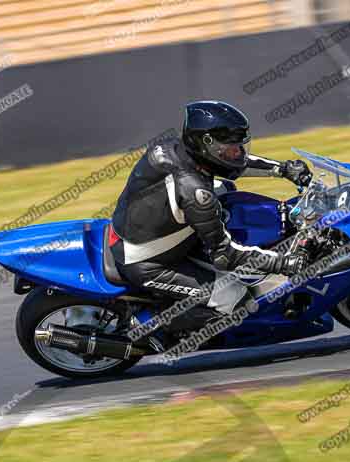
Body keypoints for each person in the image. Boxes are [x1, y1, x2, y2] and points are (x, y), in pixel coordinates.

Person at [110, 100, 312, 327]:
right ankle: (148, 326)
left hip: (142, 227)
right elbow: (225, 255)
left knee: (226, 191)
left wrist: (282, 169)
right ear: (206, 144)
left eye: (239, 145)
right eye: (230, 148)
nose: (238, 152)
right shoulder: (194, 190)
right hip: (146, 263)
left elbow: (233, 164)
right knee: (236, 300)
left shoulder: (174, 148)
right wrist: (284, 263)